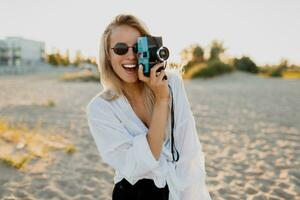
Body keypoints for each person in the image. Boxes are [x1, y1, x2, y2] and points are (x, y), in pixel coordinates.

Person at [86, 14, 211, 200]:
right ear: (108, 56)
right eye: (120, 49)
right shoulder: (100, 108)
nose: (131, 55)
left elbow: (188, 149)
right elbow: (140, 162)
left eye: (138, 47)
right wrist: (161, 100)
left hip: (179, 188)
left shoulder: (172, 83)